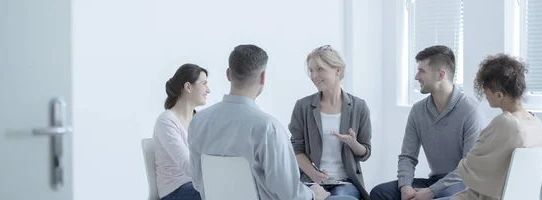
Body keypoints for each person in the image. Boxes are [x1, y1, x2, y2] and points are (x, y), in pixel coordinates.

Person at [187, 44, 339, 200]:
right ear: (262, 77)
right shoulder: (268, 128)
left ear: (228, 74)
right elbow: (290, 195)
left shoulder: (198, 121)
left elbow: (199, 183)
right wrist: (314, 194)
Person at [370, 45, 484, 200]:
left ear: (441, 74)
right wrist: (405, 187)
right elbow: (407, 156)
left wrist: (431, 192)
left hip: (462, 183)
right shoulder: (418, 111)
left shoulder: (470, 111)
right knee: (380, 192)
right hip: (434, 181)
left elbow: (468, 167)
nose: (417, 77)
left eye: (421, 71)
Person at [439, 54, 542, 200]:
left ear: (499, 95)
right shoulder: (536, 124)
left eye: (486, 90)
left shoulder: (505, 124)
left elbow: (468, 167)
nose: (485, 94)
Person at [289, 45, 372, 200]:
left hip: (345, 182)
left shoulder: (359, 106)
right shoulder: (302, 106)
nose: (314, 76)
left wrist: (353, 143)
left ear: (337, 70)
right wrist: (314, 175)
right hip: (311, 181)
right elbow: (296, 149)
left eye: (320, 69)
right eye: (311, 70)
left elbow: (365, 152)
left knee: (340, 198)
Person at [153, 63, 210, 200]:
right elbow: (188, 166)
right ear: (188, 87)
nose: (208, 90)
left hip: (198, 185)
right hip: (175, 191)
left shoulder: (199, 120)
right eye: (204, 83)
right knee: (220, 191)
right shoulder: (166, 121)